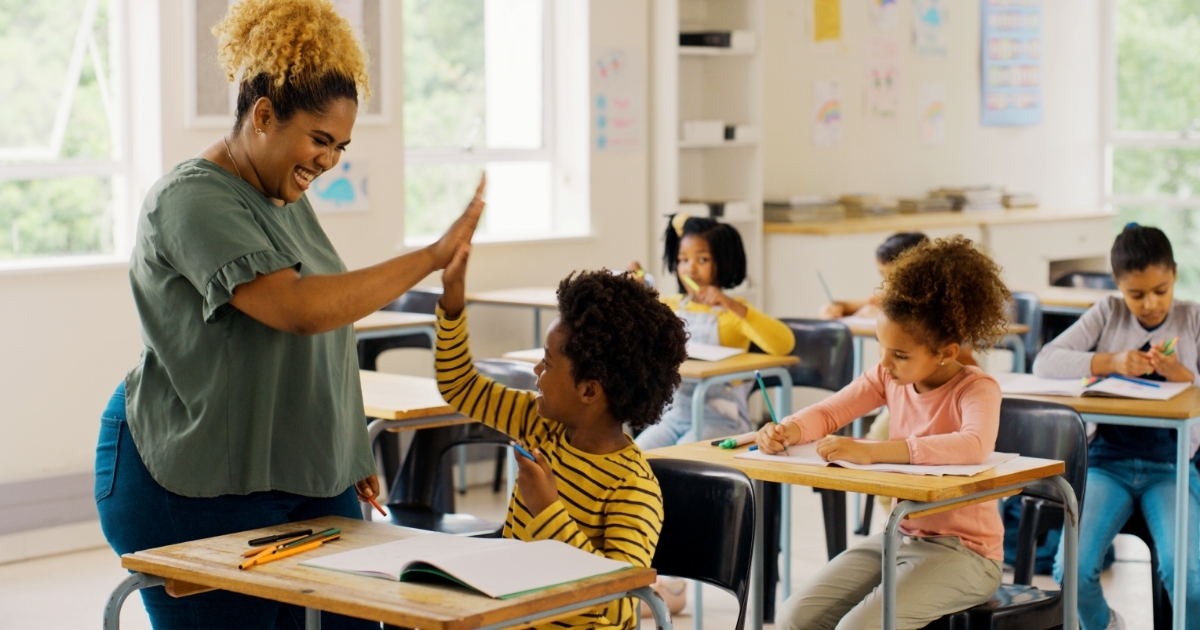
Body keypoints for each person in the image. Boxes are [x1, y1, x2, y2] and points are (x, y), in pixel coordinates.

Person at [94, 1, 483, 627]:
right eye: (320, 140)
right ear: (263, 115)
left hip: (298, 474)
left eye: (340, 146)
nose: (328, 161)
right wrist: (430, 257)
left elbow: (327, 326)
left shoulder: (283, 195)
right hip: (189, 479)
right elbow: (298, 310)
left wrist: (346, 449)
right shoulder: (191, 198)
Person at [759, 236, 1012, 630]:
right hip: (902, 537)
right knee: (795, 618)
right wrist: (789, 429)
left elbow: (973, 445)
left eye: (900, 354)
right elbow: (831, 411)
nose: (885, 363)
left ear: (946, 352)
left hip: (967, 554)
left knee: (856, 628)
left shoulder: (976, 388)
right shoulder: (887, 376)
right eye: (882, 348)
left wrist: (873, 451)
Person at [434, 247, 688, 630]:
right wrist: (452, 305)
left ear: (589, 391)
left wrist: (547, 509)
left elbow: (620, 604)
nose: (536, 370)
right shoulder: (539, 425)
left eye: (548, 362)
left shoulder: (632, 487)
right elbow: (460, 387)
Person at [1033, 223, 1200, 630]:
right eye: (1136, 294)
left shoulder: (1192, 317)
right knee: (1071, 570)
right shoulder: (1108, 312)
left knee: (1188, 580)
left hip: (1172, 468)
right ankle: (1105, 624)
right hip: (1108, 464)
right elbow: (1045, 361)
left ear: (1175, 275)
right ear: (1118, 285)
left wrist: (1185, 376)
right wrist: (1110, 361)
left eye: (1161, 290)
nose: (1150, 304)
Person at [630, 214, 794, 449]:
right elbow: (637, 322)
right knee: (637, 454)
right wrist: (637, 290)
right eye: (683, 260)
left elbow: (784, 343)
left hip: (723, 421)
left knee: (680, 458)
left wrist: (733, 305)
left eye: (702, 259)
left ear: (723, 262)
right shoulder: (671, 306)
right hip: (674, 416)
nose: (690, 268)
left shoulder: (732, 312)